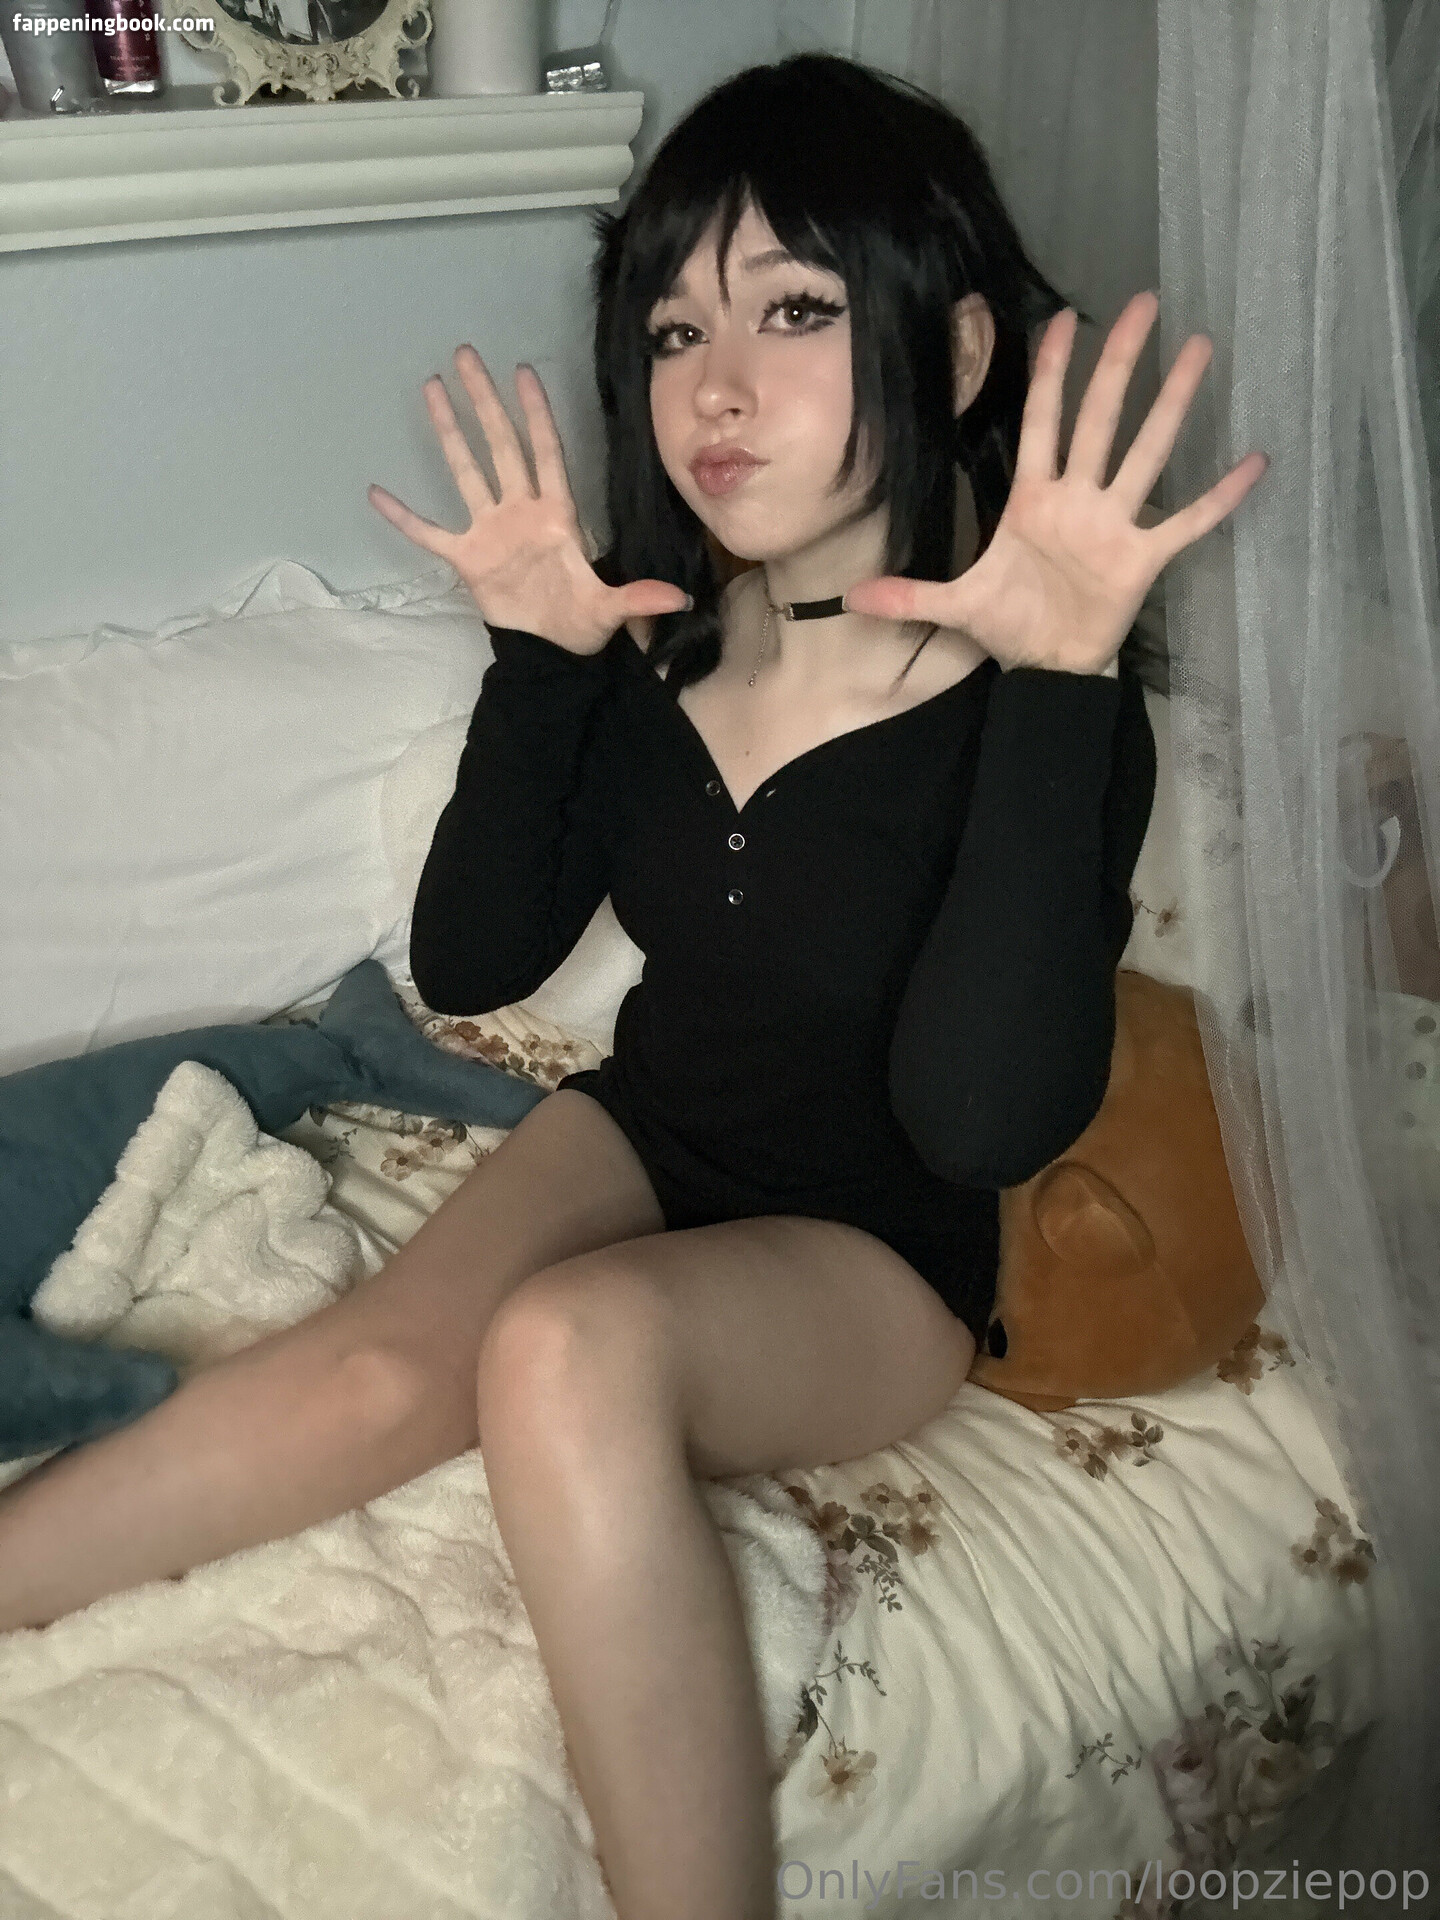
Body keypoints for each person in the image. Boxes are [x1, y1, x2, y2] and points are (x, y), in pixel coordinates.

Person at [0, 53, 1267, 1920]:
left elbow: (983, 1119)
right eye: (676, 331)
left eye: (795, 311)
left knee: (564, 1353)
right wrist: (538, 661)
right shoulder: (655, 650)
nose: (716, 389)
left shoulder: (1041, 708)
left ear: (957, 351)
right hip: (644, 1131)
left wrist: (1065, 687)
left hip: (876, 1248)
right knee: (368, 1371)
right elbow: (474, 962)